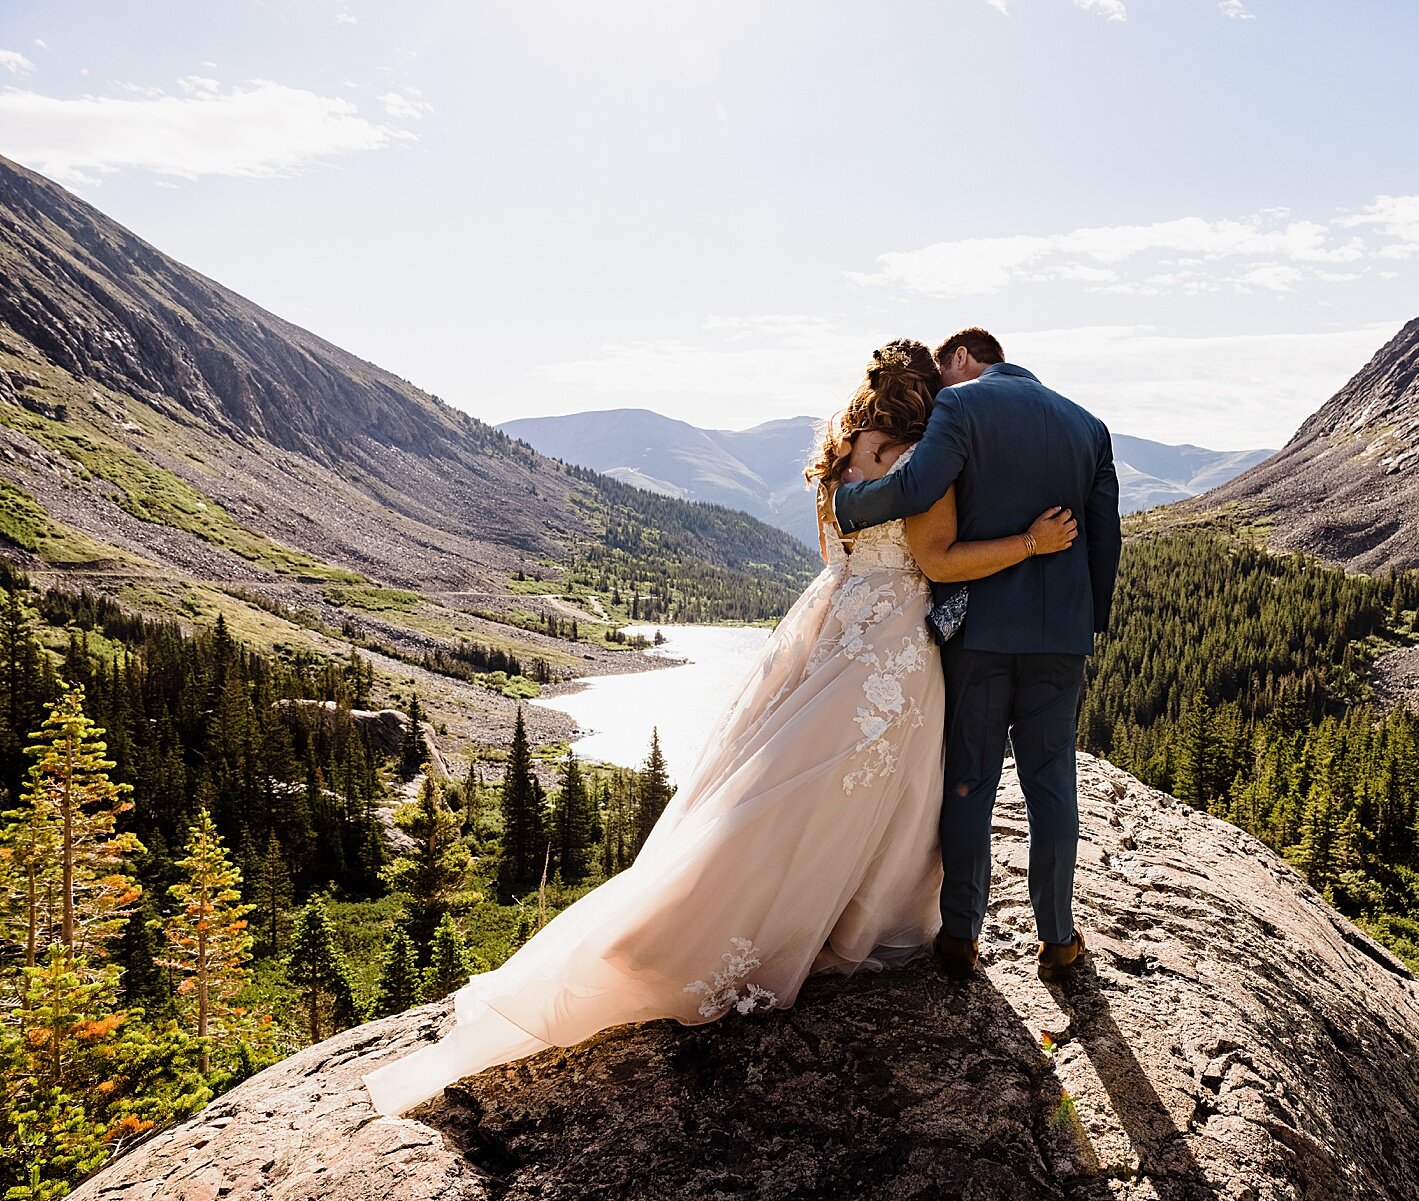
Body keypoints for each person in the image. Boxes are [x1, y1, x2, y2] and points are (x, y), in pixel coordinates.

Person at [361, 338, 1078, 1117]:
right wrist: (1030, 545)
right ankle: (856, 919)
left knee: (779, 775)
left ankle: (710, 910)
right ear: (923, 397)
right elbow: (937, 562)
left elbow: (838, 556)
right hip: (891, 644)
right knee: (876, 787)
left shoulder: (840, 458)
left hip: (830, 622)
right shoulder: (921, 462)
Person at [833, 327, 1121, 984]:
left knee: (971, 782)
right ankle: (1059, 940)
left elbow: (913, 491)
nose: (936, 387)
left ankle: (960, 936)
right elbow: (1106, 540)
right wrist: (1085, 622)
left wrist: (845, 501)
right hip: (1061, 640)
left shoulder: (960, 409)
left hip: (982, 631)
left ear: (962, 358)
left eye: (942, 369)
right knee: (1053, 786)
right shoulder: (1090, 426)